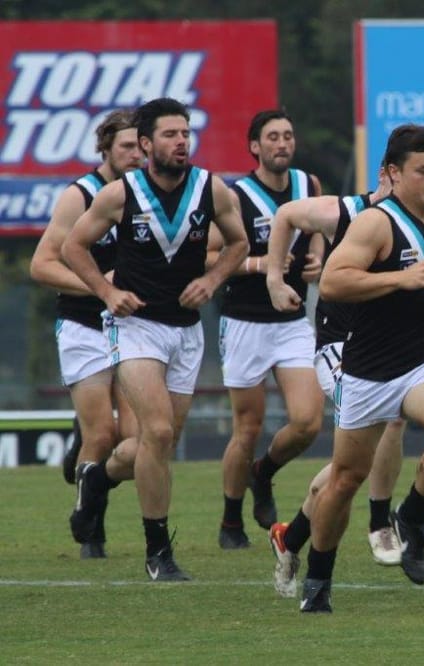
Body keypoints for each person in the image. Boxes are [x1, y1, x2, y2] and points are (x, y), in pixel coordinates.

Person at [291, 124, 424, 612]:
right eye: (423, 171)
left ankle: (412, 517)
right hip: (369, 370)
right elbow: (333, 282)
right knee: (346, 480)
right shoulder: (375, 222)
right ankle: (317, 580)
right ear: (393, 173)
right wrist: (400, 278)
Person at [62, 97, 249, 581]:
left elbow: (240, 243)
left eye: (185, 133)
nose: (181, 142)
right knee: (160, 433)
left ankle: (97, 478)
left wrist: (213, 281)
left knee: (155, 443)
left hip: (186, 331)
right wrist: (106, 290)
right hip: (136, 327)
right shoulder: (119, 195)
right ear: (145, 144)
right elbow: (71, 246)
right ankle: (158, 552)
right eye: (170, 134)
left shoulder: (212, 188)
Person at [264, 167, 405, 597]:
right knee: (386, 428)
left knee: (350, 468)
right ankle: (380, 523)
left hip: (391, 351)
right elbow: (286, 213)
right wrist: (274, 277)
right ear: (389, 175)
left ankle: (290, 537)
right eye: (420, 171)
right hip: (340, 350)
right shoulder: (345, 212)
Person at [29, 109, 144, 558]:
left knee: (138, 446)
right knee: (102, 436)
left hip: (134, 328)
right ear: (106, 149)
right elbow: (42, 265)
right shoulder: (80, 196)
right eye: (126, 148)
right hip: (84, 325)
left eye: (140, 146)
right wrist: (102, 287)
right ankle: (91, 528)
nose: (135, 155)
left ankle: (90, 472)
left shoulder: (150, 193)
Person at [207, 110, 325, 550]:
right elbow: (208, 256)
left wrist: (317, 256)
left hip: (291, 320)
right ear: (254, 146)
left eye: (288, 136)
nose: (282, 143)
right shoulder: (235, 195)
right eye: (272, 137)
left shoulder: (308, 185)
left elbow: (318, 228)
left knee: (309, 421)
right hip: (245, 321)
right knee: (248, 426)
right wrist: (262, 265)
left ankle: (265, 471)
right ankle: (231, 520)